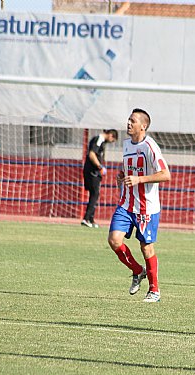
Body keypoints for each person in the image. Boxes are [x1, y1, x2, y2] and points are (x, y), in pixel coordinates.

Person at [107, 109, 170, 303]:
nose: (128, 123)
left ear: (143, 126)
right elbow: (129, 169)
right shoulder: (126, 145)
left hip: (146, 208)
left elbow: (165, 174)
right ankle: (137, 271)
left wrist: (139, 179)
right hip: (126, 203)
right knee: (114, 240)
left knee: (146, 248)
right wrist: (121, 175)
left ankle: (154, 290)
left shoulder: (150, 146)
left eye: (132, 121)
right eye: (128, 120)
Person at [81, 129, 118, 228]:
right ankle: (86, 218)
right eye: (112, 140)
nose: (111, 142)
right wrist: (99, 166)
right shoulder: (99, 139)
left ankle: (91, 219)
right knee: (95, 194)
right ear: (111, 135)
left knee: (94, 194)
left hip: (93, 172)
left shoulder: (101, 141)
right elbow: (92, 154)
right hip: (92, 171)